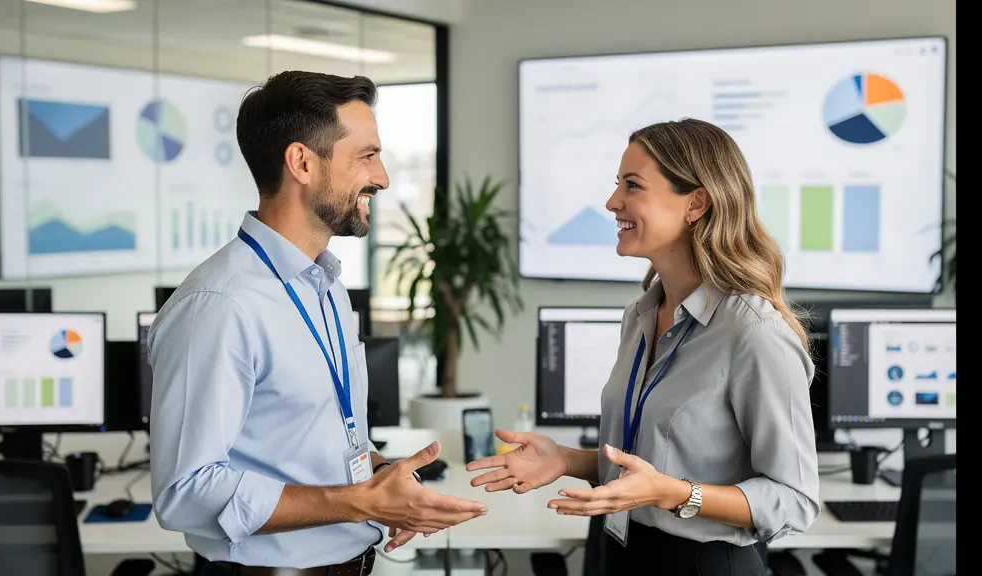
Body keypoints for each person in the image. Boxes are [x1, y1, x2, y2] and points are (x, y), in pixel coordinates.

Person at [147, 70, 487, 576]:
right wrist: (360, 501)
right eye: (367, 156)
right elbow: (185, 493)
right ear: (302, 163)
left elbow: (319, 443)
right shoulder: (219, 306)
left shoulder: (324, 286)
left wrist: (383, 478)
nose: (383, 177)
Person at [467, 118, 819, 575]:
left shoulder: (753, 333)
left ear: (696, 202)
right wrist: (568, 460)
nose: (613, 203)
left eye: (632, 186)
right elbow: (649, 465)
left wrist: (673, 494)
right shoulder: (641, 316)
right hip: (619, 549)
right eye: (618, 185)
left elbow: (795, 500)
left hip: (700, 563)